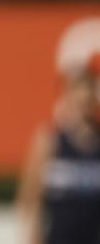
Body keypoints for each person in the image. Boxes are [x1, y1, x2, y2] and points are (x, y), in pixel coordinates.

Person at [16, 18, 100, 244]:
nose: (84, 100)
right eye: (78, 92)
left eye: (89, 92)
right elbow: (30, 199)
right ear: (68, 96)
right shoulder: (50, 141)